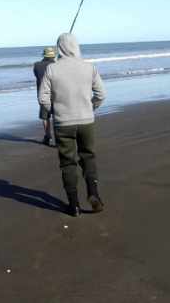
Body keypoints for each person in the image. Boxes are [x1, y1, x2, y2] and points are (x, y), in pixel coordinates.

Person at [38, 33, 106, 217]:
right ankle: (93, 194)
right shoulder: (89, 67)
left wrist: (53, 110)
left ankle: (74, 205)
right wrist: (91, 107)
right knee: (88, 157)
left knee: (67, 163)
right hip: (86, 121)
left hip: (63, 123)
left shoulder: (52, 69)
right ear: (76, 46)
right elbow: (101, 94)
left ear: (59, 48)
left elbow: (42, 97)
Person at [33, 47, 57, 146]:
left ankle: (48, 136)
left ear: (44, 55)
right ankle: (58, 138)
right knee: (57, 116)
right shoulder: (56, 65)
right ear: (53, 56)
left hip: (42, 94)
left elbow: (37, 75)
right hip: (56, 94)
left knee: (45, 117)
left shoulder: (37, 65)